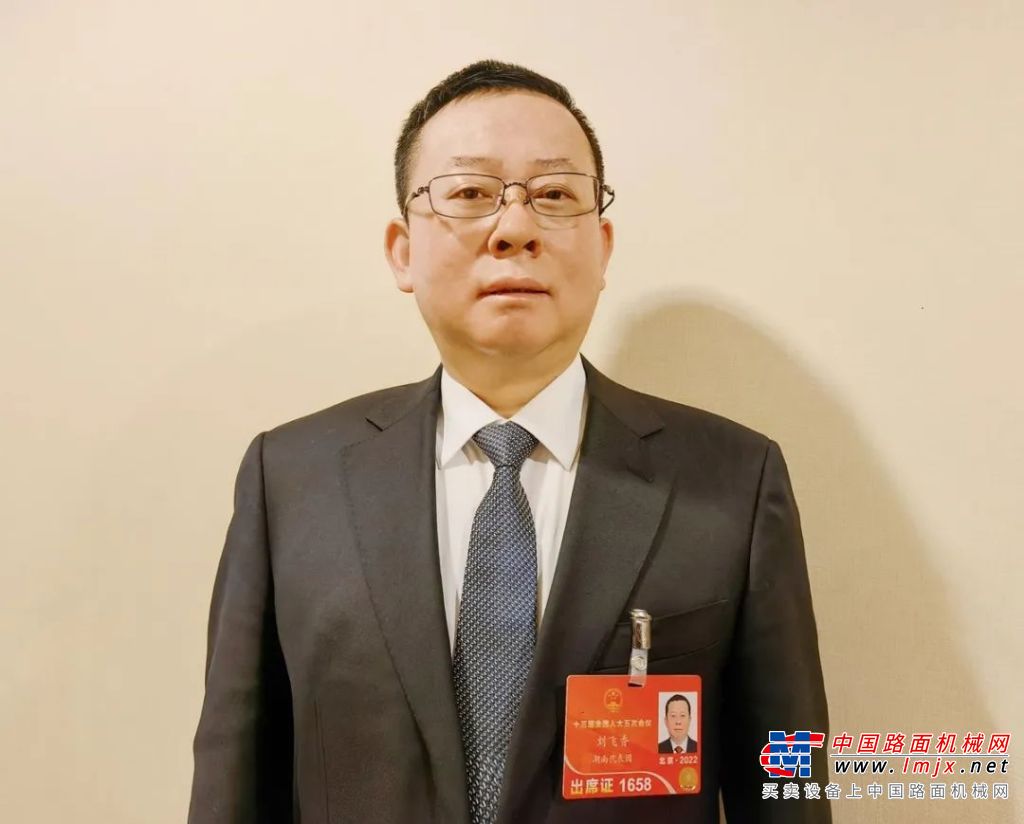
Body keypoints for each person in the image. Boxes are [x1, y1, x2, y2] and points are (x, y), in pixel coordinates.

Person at [188, 60, 831, 824]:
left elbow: (787, 781)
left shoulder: (733, 481)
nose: (515, 229)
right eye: (469, 194)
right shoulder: (292, 480)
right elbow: (236, 780)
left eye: (554, 195)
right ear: (402, 249)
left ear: (603, 247)